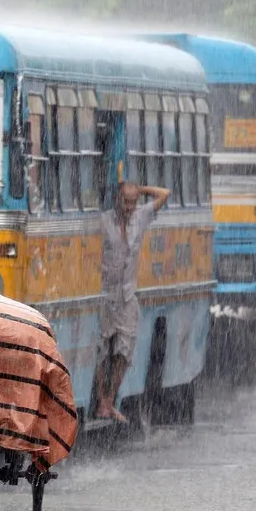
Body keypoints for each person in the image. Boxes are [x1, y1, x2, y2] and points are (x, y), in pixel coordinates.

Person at [93, 180, 170, 422]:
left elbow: (164, 193)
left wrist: (140, 189)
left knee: (125, 351)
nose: (129, 207)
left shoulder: (140, 216)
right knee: (101, 350)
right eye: (125, 201)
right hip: (105, 294)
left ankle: (110, 401)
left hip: (127, 295)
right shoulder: (103, 221)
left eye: (133, 202)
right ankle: (101, 400)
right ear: (116, 199)